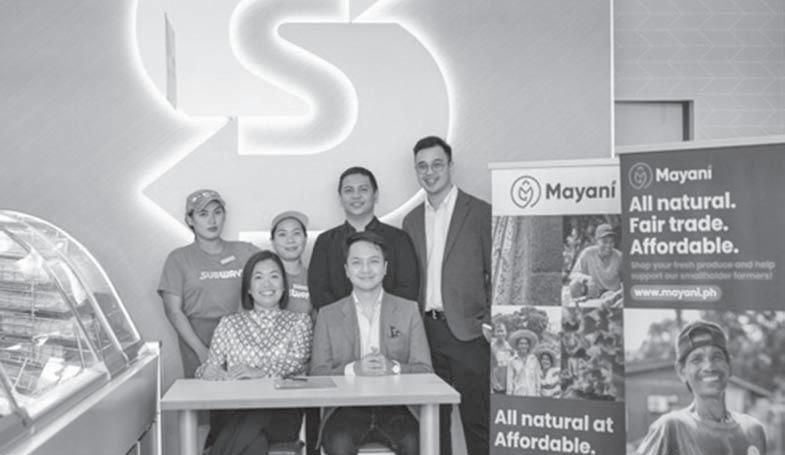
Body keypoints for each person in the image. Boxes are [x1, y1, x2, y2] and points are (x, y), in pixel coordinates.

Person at [402, 136, 491, 455]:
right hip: (426, 334)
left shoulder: (480, 212)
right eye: (422, 166)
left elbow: (499, 272)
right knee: (433, 425)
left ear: (450, 166)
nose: (430, 172)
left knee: (477, 421)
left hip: (469, 334)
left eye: (437, 164)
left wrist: (488, 322)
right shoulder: (411, 220)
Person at [310, 232, 432, 455]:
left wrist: (393, 367)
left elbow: (425, 370)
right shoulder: (328, 315)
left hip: (398, 408)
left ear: (385, 268)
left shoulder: (408, 310)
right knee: (338, 443)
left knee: (415, 441)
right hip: (345, 409)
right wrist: (353, 369)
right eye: (357, 262)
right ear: (347, 270)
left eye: (373, 261)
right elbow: (317, 374)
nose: (365, 269)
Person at [195, 250, 312, 455]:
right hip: (234, 409)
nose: (267, 284)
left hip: (281, 412)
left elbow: (297, 362)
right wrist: (206, 372)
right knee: (253, 443)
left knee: (251, 420)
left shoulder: (300, 322)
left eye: (274, 276)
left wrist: (260, 371)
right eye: (258, 277)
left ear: (284, 285)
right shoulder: (229, 324)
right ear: (248, 288)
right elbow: (210, 367)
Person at [158, 189, 259, 378]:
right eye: (203, 214)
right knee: (206, 394)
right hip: (199, 342)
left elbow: (273, 284)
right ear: (190, 220)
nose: (212, 220)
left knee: (247, 394)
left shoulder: (246, 251)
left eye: (217, 212)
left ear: (224, 216)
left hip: (246, 341)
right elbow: (173, 311)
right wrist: (202, 351)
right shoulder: (178, 259)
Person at [637, 320, 767, 455]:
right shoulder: (672, 428)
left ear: (729, 366)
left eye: (717, 357)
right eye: (697, 360)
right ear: (681, 371)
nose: (709, 367)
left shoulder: (753, 431)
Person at [308, 166, 419, 310]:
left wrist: (378, 317)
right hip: (338, 322)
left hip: (392, 321)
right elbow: (319, 292)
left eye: (363, 189)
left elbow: (408, 288)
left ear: (376, 195)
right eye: (349, 190)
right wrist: (348, 318)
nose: (356, 196)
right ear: (340, 198)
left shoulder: (399, 238)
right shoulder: (325, 242)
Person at [270, 210, 313, 317]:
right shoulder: (262, 278)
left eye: (296, 233)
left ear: (305, 239)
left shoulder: (314, 279)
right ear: (273, 241)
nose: (290, 240)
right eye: (282, 234)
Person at [568, 223, 622, 305]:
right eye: (604, 242)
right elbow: (573, 275)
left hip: (611, 295)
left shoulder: (619, 257)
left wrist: (615, 294)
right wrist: (587, 279)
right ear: (597, 241)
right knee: (574, 284)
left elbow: (627, 282)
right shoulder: (588, 253)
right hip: (592, 293)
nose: (608, 245)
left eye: (611, 242)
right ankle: (578, 307)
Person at [506, 329, 541, 397]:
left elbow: (537, 378)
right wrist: (509, 396)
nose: (523, 346)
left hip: (532, 394)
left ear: (528, 346)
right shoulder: (512, 360)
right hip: (517, 394)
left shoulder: (534, 359)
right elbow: (509, 380)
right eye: (521, 343)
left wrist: (538, 393)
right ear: (517, 345)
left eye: (526, 344)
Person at [490, 322, 513, 393]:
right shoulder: (491, 347)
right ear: (494, 333)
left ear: (506, 332)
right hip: (495, 385)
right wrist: (493, 382)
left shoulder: (510, 347)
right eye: (498, 331)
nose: (500, 333)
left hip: (508, 384)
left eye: (502, 331)